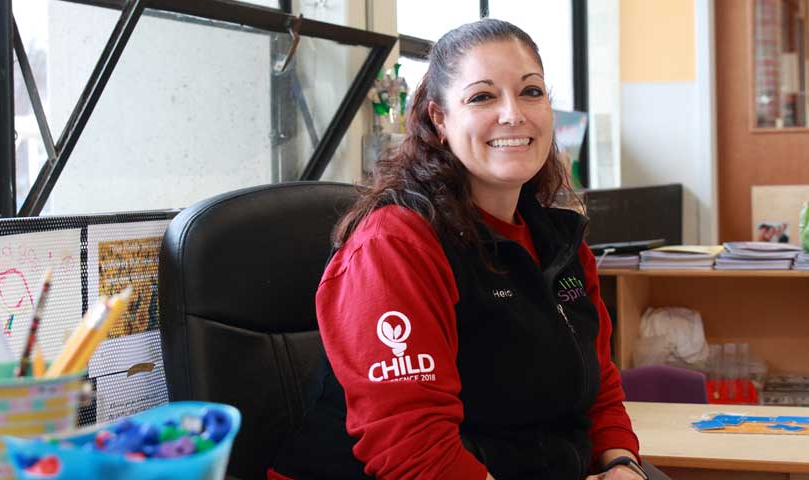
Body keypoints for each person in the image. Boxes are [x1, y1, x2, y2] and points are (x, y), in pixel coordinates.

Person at [269, 18, 651, 480]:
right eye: (482, 97)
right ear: (439, 119)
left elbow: (600, 385)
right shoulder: (395, 245)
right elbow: (415, 450)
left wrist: (622, 464)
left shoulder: (560, 241)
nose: (514, 114)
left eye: (531, 92)